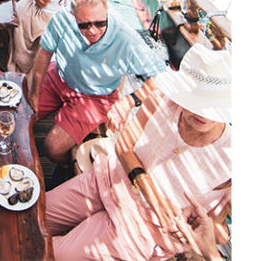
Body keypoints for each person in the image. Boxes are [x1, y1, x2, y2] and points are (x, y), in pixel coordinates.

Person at [44, 44, 231, 261]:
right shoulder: (163, 99)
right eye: (194, 102)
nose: (201, 112)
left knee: (51, 254)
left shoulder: (231, 157)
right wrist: (151, 193)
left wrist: (191, 233)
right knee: (31, 216)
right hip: (107, 180)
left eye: (211, 106)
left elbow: (219, 228)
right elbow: (124, 143)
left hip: (141, 231)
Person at [25, 0, 165, 165]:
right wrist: (35, 93)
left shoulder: (126, 39)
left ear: (106, 12)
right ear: (73, 15)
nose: (93, 31)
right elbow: (45, 53)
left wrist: (130, 101)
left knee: (53, 147)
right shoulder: (61, 19)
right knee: (22, 113)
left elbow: (162, 77)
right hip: (59, 77)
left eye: (100, 23)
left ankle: (66, 168)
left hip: (96, 96)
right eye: (84, 25)